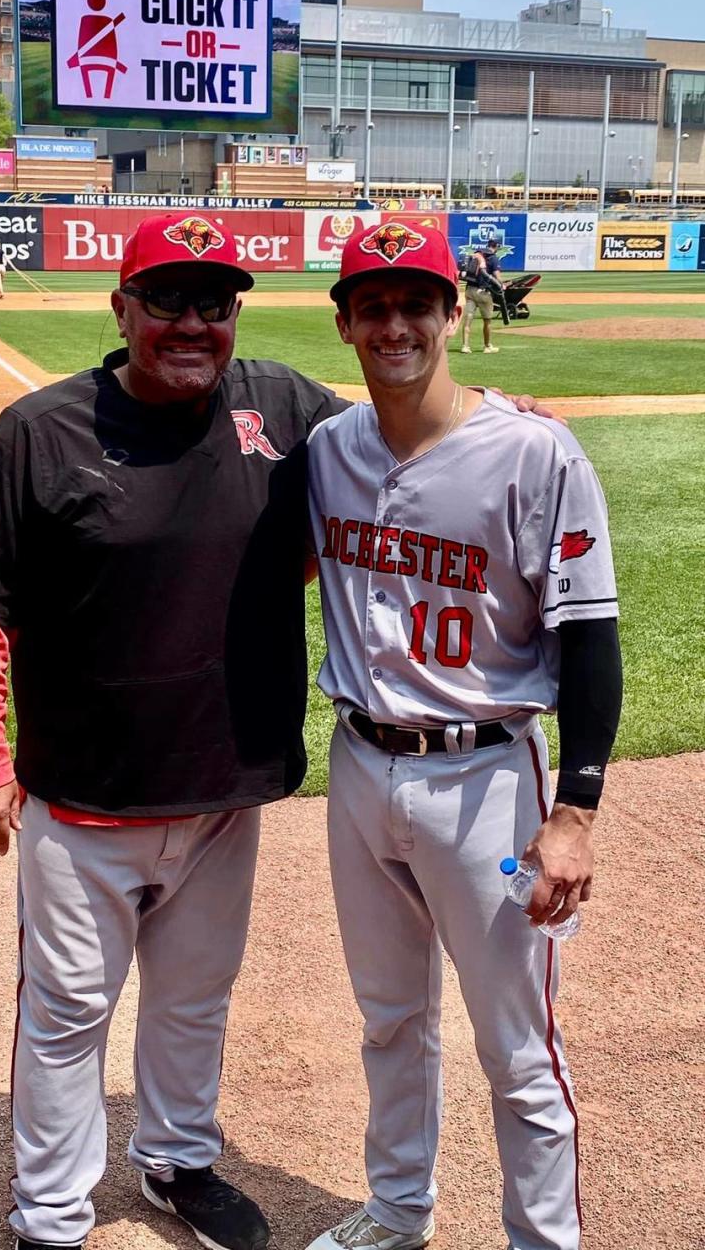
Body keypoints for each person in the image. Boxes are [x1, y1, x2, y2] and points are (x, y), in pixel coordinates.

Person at [0, 212, 555, 1250]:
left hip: (224, 789)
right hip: (85, 797)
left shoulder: (281, 404)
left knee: (194, 997)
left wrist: (501, 419)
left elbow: (400, 441)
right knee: (67, 1013)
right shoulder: (41, 432)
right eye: (166, 299)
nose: (192, 322)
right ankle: (49, 1216)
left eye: (213, 302)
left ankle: (177, 1157)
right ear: (120, 306)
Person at [303, 219, 622, 1250]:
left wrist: (573, 810)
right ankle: (399, 1208)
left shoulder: (535, 454)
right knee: (390, 1019)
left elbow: (590, 636)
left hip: (487, 777)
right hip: (358, 768)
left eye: (416, 303)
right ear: (346, 322)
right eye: (374, 305)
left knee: (517, 1044)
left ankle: (543, 1238)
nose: (395, 323)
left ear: (451, 312)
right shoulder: (327, 450)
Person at [460, 237, 503, 354]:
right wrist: (502, 285)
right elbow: (497, 276)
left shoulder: (476, 254)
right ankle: (487, 346)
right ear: (496, 246)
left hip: (469, 290)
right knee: (487, 321)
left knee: (468, 319)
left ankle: (465, 346)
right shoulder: (493, 258)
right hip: (483, 292)